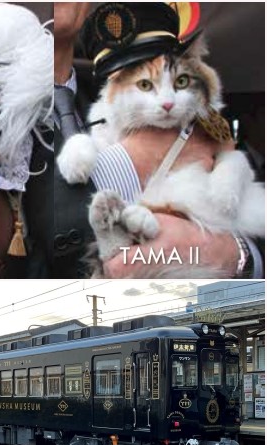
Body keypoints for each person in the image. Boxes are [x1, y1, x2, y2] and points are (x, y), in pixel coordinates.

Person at [30, 2, 263, 278]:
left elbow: (250, 207)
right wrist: (134, 159)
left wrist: (235, 254)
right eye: (143, 84)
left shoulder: (98, 85)